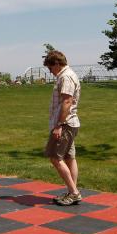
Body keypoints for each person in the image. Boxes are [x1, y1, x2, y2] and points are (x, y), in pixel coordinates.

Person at [43, 50, 82, 205]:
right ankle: (72, 191)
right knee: (69, 158)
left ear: (57, 64)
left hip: (65, 124)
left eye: (50, 68)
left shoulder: (66, 76)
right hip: (70, 123)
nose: (50, 72)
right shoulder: (67, 75)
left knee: (55, 157)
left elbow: (67, 101)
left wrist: (59, 125)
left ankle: (74, 193)